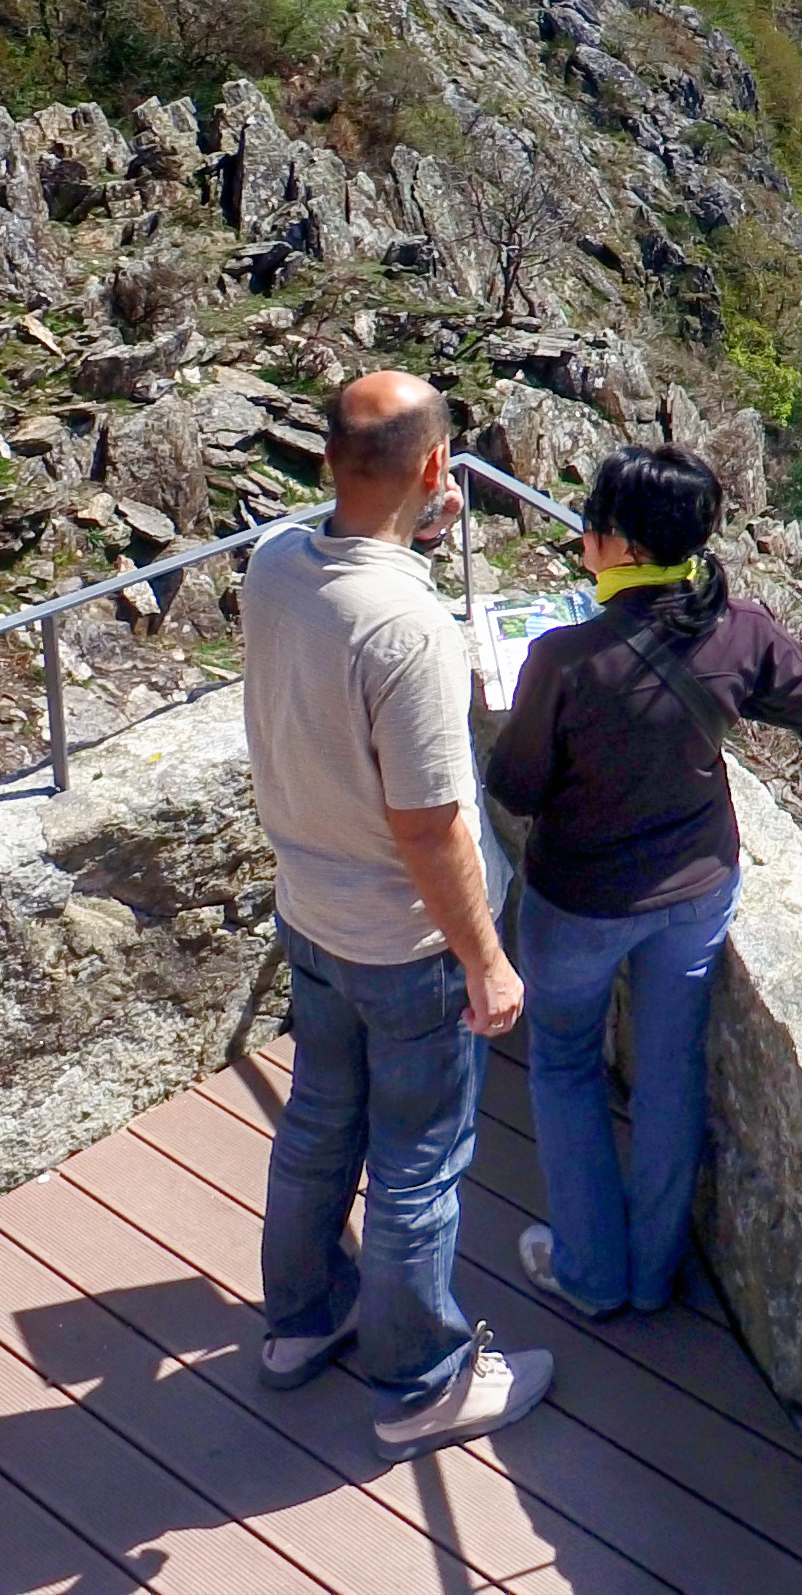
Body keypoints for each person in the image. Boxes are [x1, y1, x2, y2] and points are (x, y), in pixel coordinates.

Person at [240, 369, 552, 1450]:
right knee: (419, 1157)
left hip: (308, 909)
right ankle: (419, 1380)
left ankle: (299, 1321)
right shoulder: (410, 630)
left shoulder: (276, 562)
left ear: (326, 457)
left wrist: (410, 523)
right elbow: (430, 825)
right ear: (434, 466)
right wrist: (487, 962)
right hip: (405, 943)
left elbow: (348, 582)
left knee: (320, 1119)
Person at [489, 442, 802, 1318]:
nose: (584, 532)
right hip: (695, 886)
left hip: (580, 899)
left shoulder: (567, 658)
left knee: (565, 1066)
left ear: (622, 544)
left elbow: (515, 787)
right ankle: (651, 1273)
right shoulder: (735, 628)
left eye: (593, 521)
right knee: (670, 1070)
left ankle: (590, 1272)